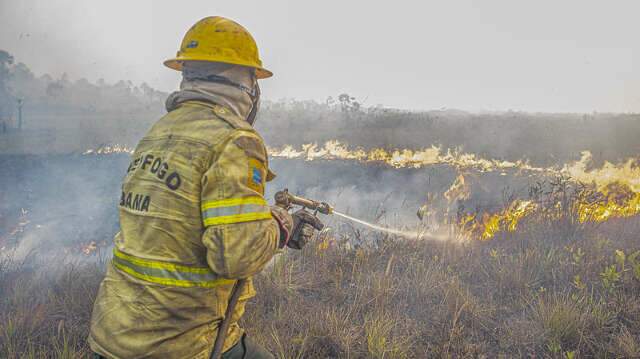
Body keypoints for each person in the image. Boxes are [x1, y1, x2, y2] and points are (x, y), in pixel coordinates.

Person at [88, 16, 322, 359]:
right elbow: (236, 256)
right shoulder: (235, 139)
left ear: (189, 74)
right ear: (244, 81)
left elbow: (186, 218)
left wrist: (264, 218)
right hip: (180, 341)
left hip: (113, 333)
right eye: (252, 78)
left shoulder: (160, 131)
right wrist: (282, 226)